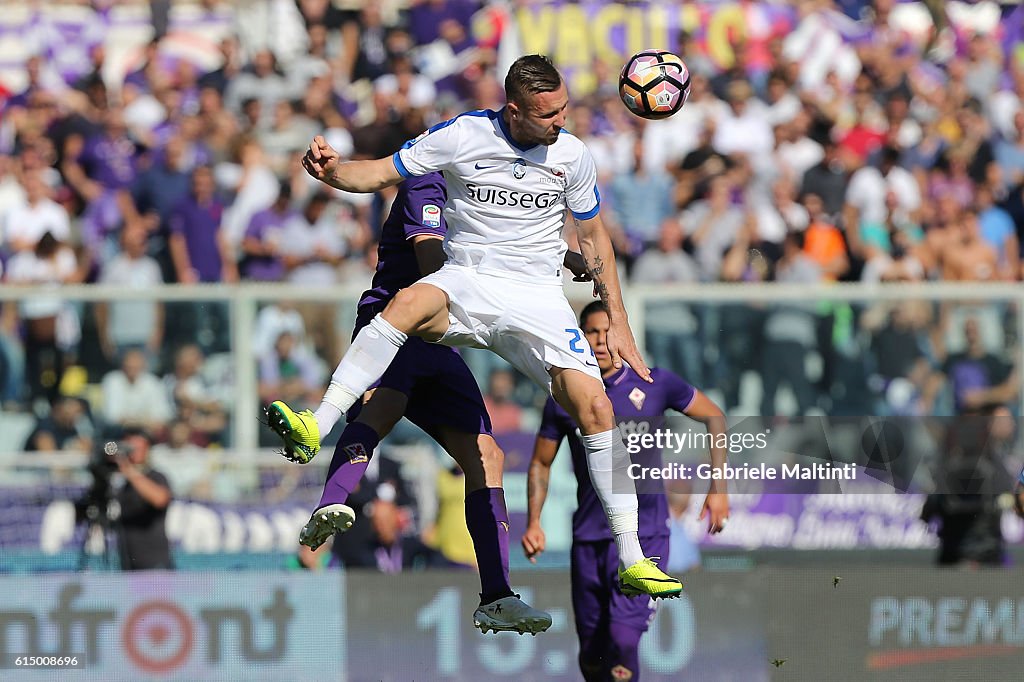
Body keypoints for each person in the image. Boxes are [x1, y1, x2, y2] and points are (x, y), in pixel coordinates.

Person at [267, 54, 681, 600]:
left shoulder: (573, 155)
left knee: (596, 408)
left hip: (539, 300)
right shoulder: (463, 135)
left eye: (563, 109)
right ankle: (317, 423)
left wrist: (619, 321)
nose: (560, 121)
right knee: (408, 303)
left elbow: (594, 236)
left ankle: (631, 555)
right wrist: (334, 171)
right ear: (514, 110)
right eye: (548, 114)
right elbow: (382, 173)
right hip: (469, 280)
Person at [269, 173, 562, 635]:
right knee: (380, 407)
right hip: (397, 320)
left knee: (488, 455)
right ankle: (330, 504)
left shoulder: (494, 193)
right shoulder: (428, 184)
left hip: (439, 340)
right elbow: (431, 269)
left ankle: (497, 596)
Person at [521, 302, 730, 682]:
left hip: (646, 534)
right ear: (579, 336)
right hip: (589, 540)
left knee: (622, 639)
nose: (600, 341)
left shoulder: (655, 383)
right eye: (591, 332)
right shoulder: (566, 395)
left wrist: (718, 487)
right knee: (592, 654)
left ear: (620, 333)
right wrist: (534, 521)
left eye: (606, 331)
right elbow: (540, 463)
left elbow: (714, 415)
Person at [112, 429, 174, 570]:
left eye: (137, 448)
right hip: (127, 561)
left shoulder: (156, 476)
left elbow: (160, 499)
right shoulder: (121, 483)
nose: (132, 452)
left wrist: (129, 471)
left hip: (153, 562)